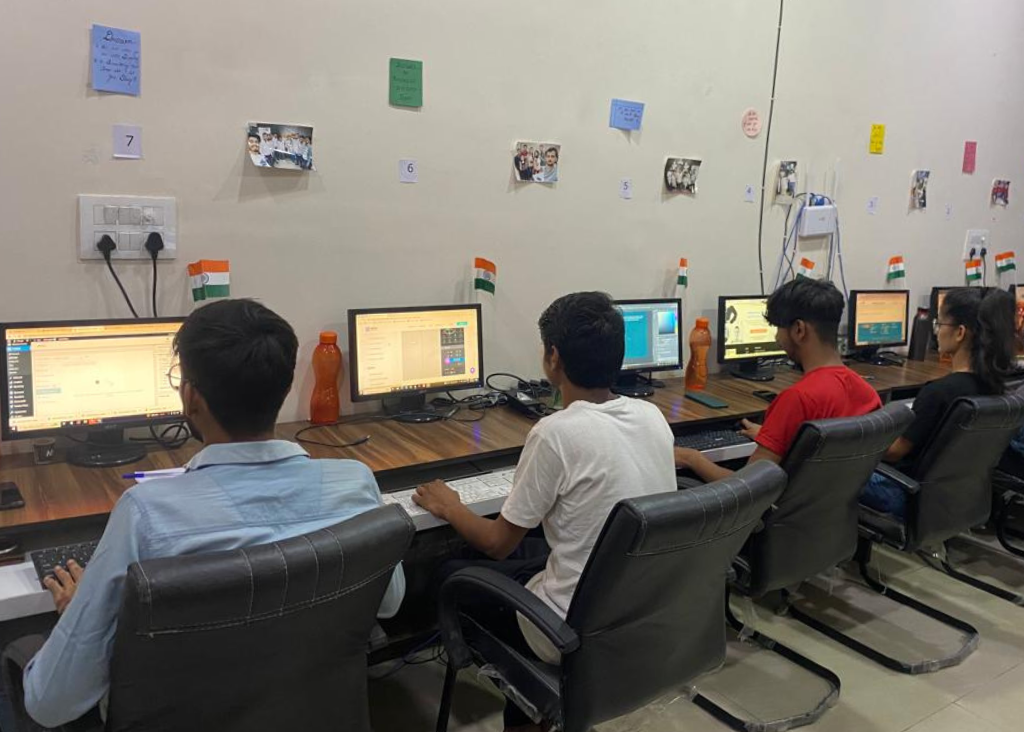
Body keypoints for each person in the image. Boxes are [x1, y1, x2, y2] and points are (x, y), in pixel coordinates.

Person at [14, 299, 405, 729]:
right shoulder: (355, 482)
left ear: (190, 396)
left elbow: (51, 704)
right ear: (287, 385)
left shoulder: (147, 512)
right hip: (309, 710)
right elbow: (389, 602)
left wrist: (80, 616)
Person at [412, 292, 676, 732]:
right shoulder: (651, 416)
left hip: (568, 631)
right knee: (532, 554)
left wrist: (451, 506)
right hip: (641, 612)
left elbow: (497, 544)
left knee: (452, 576)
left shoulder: (555, 433)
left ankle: (528, 705)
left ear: (553, 358)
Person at [675, 277, 881, 482]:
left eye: (778, 328)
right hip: (835, 500)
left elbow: (746, 487)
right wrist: (773, 436)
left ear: (799, 330)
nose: (776, 338)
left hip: (779, 503)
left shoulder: (798, 399)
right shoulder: (867, 392)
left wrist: (692, 458)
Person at [862, 287, 1016, 516]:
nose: (936, 331)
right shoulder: (997, 388)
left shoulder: (939, 393)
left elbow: (894, 453)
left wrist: (859, 439)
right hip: (960, 497)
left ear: (960, 333)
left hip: (907, 493)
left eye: (940, 324)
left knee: (832, 474)